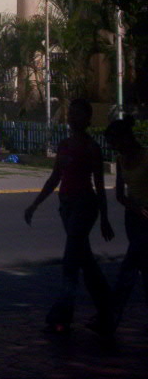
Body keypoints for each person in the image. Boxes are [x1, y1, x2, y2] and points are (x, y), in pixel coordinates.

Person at [24, 98, 114, 333]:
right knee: (85, 260)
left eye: (78, 115)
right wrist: (35, 204)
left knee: (71, 262)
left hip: (85, 206)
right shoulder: (64, 145)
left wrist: (104, 218)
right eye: (71, 114)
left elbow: (99, 184)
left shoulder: (91, 147)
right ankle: (107, 308)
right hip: (66, 206)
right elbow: (54, 178)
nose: (73, 118)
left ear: (88, 119)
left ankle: (61, 315)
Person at [104, 116, 148, 326]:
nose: (114, 148)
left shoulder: (146, 156)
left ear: (125, 138)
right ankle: (111, 317)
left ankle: (111, 317)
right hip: (134, 218)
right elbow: (120, 194)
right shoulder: (121, 161)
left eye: (115, 142)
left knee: (130, 268)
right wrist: (135, 208)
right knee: (139, 266)